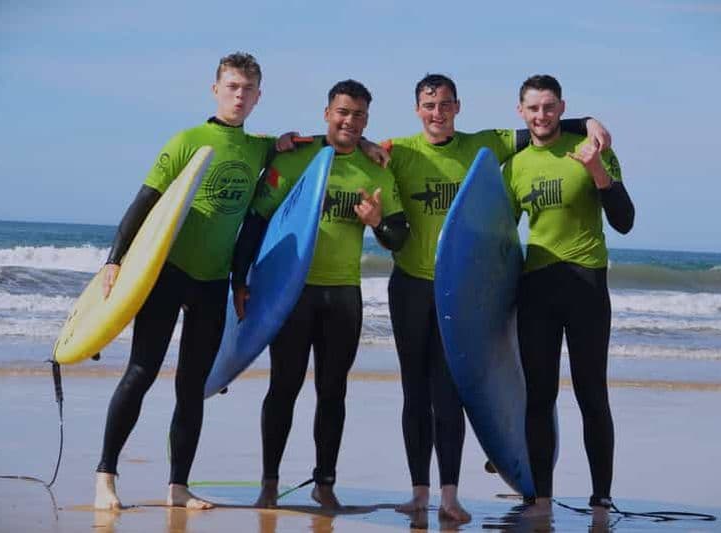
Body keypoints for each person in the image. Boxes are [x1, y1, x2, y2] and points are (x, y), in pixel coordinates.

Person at [380, 73, 611, 523]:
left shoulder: (486, 145)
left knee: (451, 392)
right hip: (411, 285)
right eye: (429, 105)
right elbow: (351, 147)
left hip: (459, 292)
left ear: (458, 107)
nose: (437, 113)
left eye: (445, 104)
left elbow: (541, 127)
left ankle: (450, 497)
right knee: (415, 393)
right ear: (417, 110)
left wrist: (588, 122)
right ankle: (420, 493)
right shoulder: (398, 151)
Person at [93, 52, 298, 510]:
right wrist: (115, 260)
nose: (239, 96)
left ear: (258, 96)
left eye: (248, 89)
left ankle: (178, 487)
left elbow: (312, 145)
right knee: (141, 372)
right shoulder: (187, 141)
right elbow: (145, 201)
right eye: (232, 87)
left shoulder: (259, 148)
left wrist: (366, 145)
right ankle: (105, 476)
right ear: (215, 89)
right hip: (169, 272)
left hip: (212, 281)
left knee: (192, 387)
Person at [236, 80, 408, 509]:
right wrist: (240, 280)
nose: (350, 121)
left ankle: (325, 483)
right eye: (342, 112)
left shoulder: (377, 169)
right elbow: (256, 220)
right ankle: (269, 483)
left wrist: (377, 223)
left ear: (367, 120)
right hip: (291, 292)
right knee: (284, 386)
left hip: (343, 295)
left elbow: (398, 238)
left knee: (333, 392)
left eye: (358, 115)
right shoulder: (296, 157)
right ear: (327, 113)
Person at [503, 74, 634, 517]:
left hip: (586, 286)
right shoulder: (515, 166)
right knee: (538, 396)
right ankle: (540, 498)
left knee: (591, 393)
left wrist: (597, 171)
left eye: (549, 106)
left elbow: (624, 221)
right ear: (521, 112)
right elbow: (500, 237)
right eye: (533, 108)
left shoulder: (593, 148)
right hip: (537, 288)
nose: (541, 115)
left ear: (562, 107)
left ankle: (601, 498)